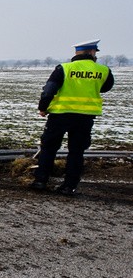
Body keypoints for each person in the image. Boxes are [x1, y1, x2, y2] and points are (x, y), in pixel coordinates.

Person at [29, 40, 114, 196]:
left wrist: (43, 107)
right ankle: (69, 186)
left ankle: (40, 181)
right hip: (85, 117)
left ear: (77, 53)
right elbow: (106, 87)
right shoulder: (103, 70)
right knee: (76, 152)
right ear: (92, 52)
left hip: (60, 115)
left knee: (49, 148)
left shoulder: (64, 68)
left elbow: (49, 89)